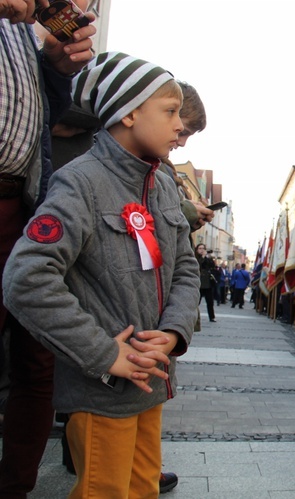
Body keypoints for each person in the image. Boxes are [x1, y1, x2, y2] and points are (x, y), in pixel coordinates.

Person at [2, 51, 200, 497]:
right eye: (169, 112)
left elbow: (186, 267)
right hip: (102, 391)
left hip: (151, 381)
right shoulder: (81, 182)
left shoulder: (164, 183)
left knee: (143, 489)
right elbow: (26, 278)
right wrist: (100, 352)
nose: (179, 126)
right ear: (129, 112)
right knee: (104, 490)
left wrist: (172, 332)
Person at [0, 2, 96, 496]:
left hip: (22, 196)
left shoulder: (22, 32)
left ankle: (15, 486)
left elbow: (40, 114)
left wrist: (55, 70)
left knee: (37, 361)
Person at [195, 244, 217, 322]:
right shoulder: (195, 258)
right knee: (196, 302)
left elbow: (213, 266)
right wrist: (203, 257)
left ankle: (212, 317)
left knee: (210, 301)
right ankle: (193, 316)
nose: (201, 250)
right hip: (199, 283)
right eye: (200, 248)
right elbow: (198, 264)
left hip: (207, 283)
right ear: (197, 249)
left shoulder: (208, 258)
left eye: (203, 248)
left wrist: (208, 257)